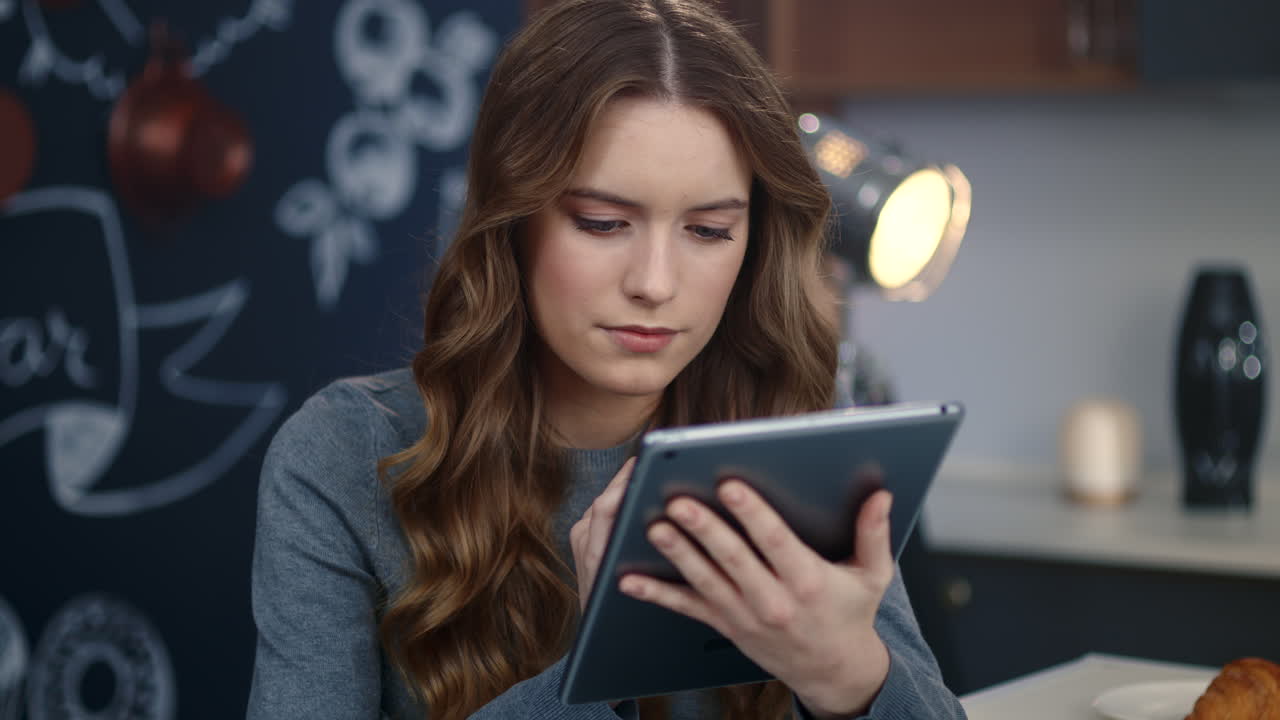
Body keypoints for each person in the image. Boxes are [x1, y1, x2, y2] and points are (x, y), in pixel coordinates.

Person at [246, 1, 966, 718]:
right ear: (512, 221)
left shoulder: (797, 434)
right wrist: (595, 668)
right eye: (602, 223)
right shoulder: (344, 457)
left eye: (709, 230)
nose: (653, 283)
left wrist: (850, 677)